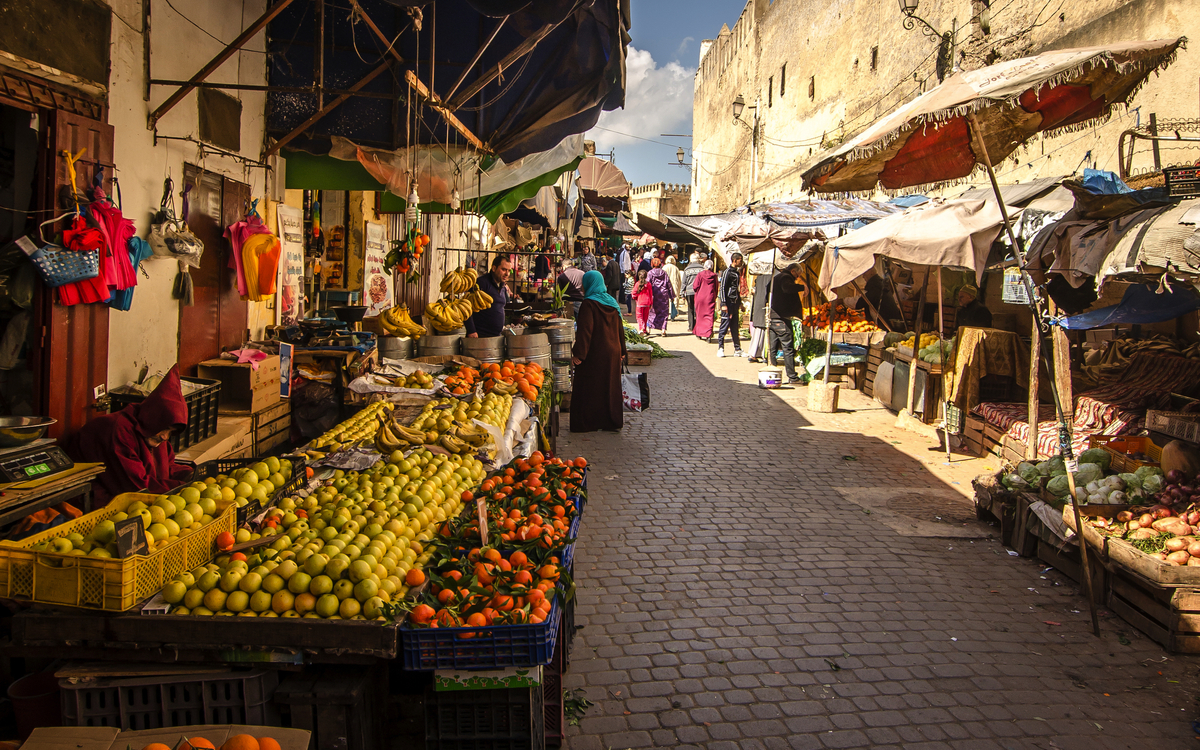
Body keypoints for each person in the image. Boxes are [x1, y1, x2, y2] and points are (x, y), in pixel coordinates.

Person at [63, 366, 194, 505]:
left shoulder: (154, 431)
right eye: (165, 429)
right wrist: (183, 487)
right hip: (96, 502)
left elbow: (168, 467)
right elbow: (135, 487)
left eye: (171, 432)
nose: (165, 437)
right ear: (155, 419)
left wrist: (190, 475)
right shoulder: (117, 431)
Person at [570, 270, 628, 432]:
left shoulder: (589, 304)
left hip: (596, 353)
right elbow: (619, 329)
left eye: (584, 283)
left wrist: (579, 354)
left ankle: (589, 422)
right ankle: (610, 421)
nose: (581, 286)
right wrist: (622, 350)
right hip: (613, 351)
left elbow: (585, 331)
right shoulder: (611, 302)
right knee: (610, 386)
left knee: (590, 387)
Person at [769, 263, 806, 384]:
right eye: (797, 275)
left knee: (773, 347)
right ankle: (792, 377)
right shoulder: (785, 277)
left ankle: (772, 371)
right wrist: (802, 287)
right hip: (782, 317)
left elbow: (767, 289)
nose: (797, 278)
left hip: (773, 316)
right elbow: (787, 288)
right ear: (793, 271)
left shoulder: (776, 277)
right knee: (787, 347)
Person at [466, 255, 512, 338]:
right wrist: (471, 330)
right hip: (480, 336)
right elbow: (466, 307)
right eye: (503, 269)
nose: (507, 274)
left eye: (509, 270)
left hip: (495, 337)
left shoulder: (502, 287)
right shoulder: (481, 283)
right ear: (494, 268)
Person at [716, 252, 746, 357]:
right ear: (735, 260)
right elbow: (722, 289)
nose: (741, 262)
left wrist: (740, 303)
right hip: (727, 303)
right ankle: (720, 347)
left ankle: (737, 349)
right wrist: (723, 304)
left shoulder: (736, 273)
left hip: (734, 304)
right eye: (740, 260)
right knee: (724, 325)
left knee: (734, 326)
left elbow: (736, 290)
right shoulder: (727, 272)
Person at [747, 269, 773, 363]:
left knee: (759, 331)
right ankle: (760, 354)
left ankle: (756, 354)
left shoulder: (759, 277)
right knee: (763, 331)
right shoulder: (771, 277)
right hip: (764, 308)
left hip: (759, 307)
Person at [692, 260, 717, 341]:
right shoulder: (714, 276)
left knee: (700, 315)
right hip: (710, 297)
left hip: (700, 297)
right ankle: (708, 334)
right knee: (709, 316)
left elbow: (695, 286)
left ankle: (699, 332)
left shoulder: (700, 274)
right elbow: (716, 288)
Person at [647, 258, 673, 336]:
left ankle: (648, 329)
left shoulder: (650, 273)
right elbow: (669, 284)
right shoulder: (664, 273)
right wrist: (672, 295)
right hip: (663, 295)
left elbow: (647, 284)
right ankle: (663, 329)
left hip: (653, 294)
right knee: (664, 313)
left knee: (651, 312)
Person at [681, 252, 704, 332]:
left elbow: (684, 282)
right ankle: (698, 326)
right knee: (698, 309)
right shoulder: (702, 269)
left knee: (690, 308)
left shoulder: (687, 269)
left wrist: (682, 292)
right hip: (699, 291)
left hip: (689, 291)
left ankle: (691, 327)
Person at [631, 268, 653, 334]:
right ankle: (644, 329)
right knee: (645, 317)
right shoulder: (648, 284)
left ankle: (641, 328)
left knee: (639, 317)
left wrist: (635, 298)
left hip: (639, 303)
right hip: (647, 303)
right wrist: (651, 303)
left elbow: (633, 293)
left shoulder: (637, 284)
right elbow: (651, 294)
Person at [663, 254, 683, 322]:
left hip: (666, 285)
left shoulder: (664, 267)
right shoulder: (676, 268)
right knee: (674, 298)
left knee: (667, 299)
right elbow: (679, 279)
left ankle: (667, 313)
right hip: (675, 285)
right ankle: (674, 313)